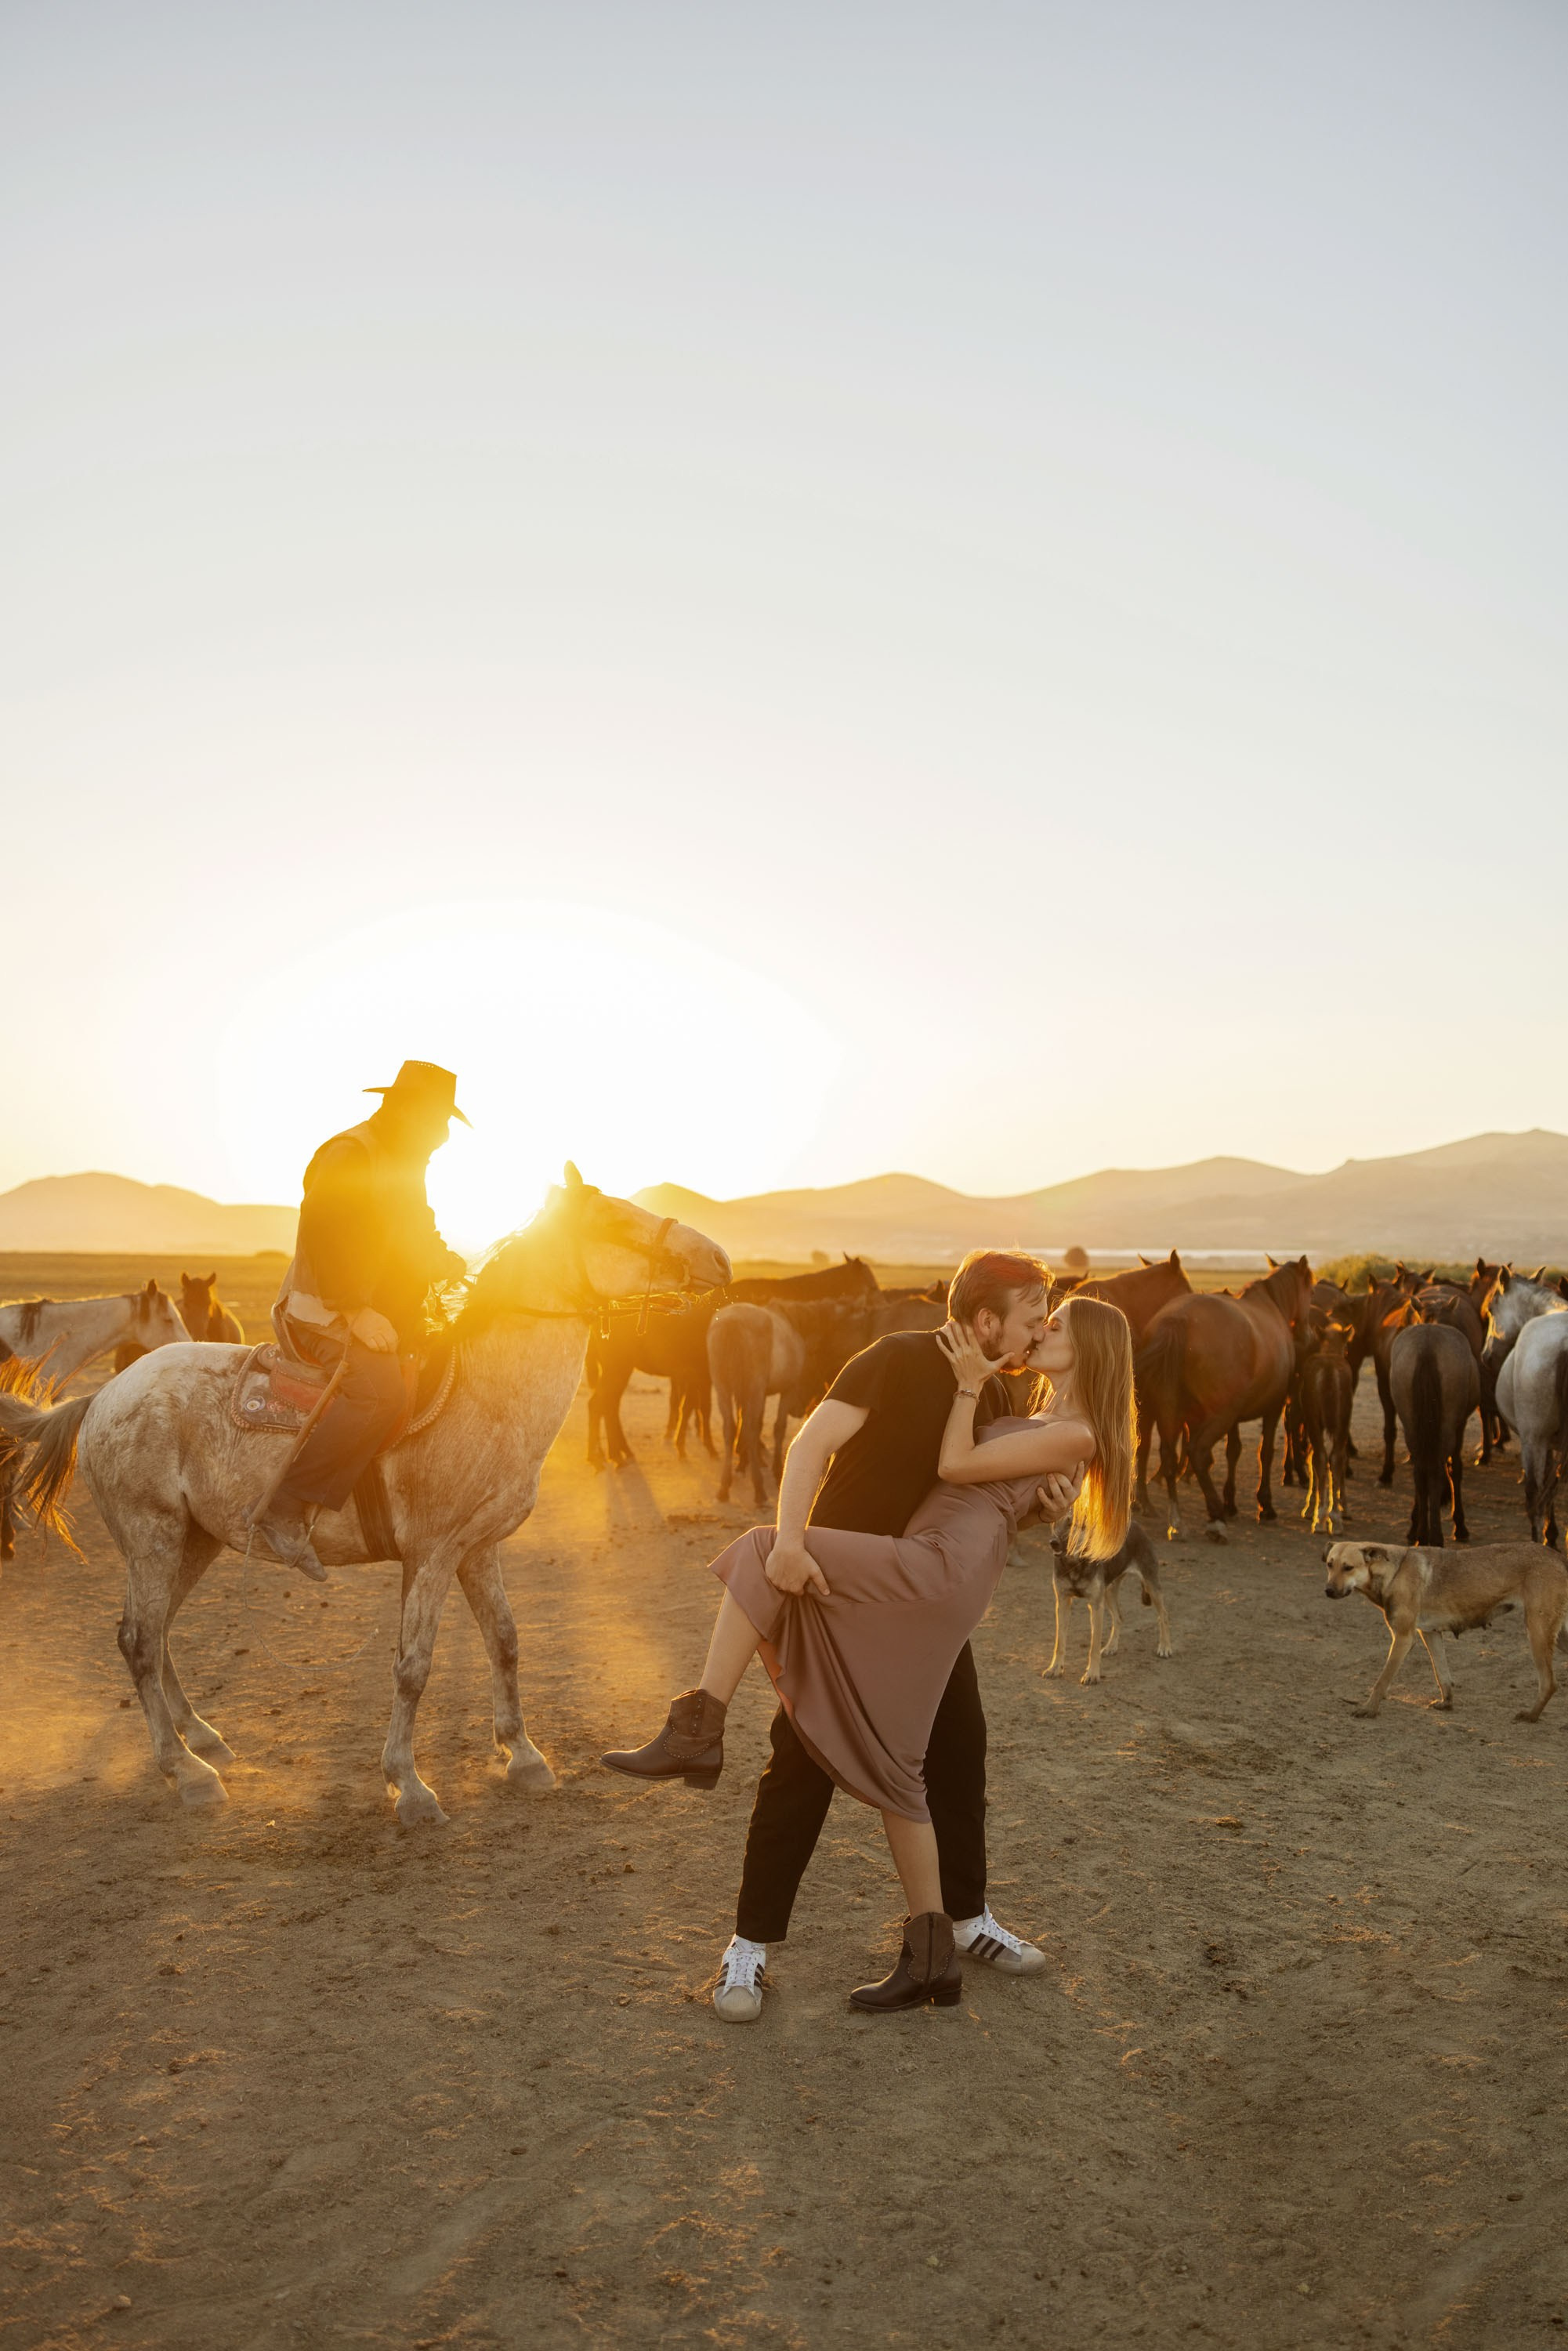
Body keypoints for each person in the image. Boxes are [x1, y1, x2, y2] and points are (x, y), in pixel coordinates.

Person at [603, 1253, 1134, 2015]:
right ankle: (749, 1947)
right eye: (1032, 1317)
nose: (1039, 1329)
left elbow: (978, 1491)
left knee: (959, 1753)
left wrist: (1038, 1509)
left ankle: (963, 1924)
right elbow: (809, 1447)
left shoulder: (996, 1390)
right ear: (986, 1320)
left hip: (917, 1589)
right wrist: (791, 1542)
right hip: (843, 1581)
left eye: (1051, 1321)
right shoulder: (895, 1358)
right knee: (802, 1765)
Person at [254, 1060, 470, 1582]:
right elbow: (327, 1237)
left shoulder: (405, 1161)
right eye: (439, 1121)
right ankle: (283, 1506)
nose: (443, 1135)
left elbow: (417, 1231)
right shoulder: (350, 1154)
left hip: (378, 1310)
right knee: (379, 1394)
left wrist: (448, 1263)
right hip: (323, 1309)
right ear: (409, 1112)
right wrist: (355, 1310)